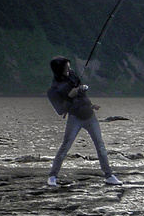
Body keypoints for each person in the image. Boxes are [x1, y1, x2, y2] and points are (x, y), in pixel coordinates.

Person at [46, 56, 122, 187]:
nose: (69, 70)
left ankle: (109, 175)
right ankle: (52, 176)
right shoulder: (53, 90)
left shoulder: (72, 75)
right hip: (74, 118)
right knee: (65, 147)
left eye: (69, 67)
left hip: (90, 116)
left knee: (100, 145)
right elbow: (60, 110)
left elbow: (82, 95)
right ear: (58, 70)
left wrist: (91, 105)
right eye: (66, 68)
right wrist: (70, 96)